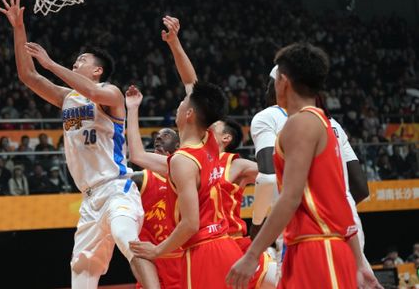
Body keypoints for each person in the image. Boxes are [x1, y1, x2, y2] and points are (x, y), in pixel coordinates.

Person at [0, 0, 158, 288]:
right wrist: (19, 28)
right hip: (89, 199)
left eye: (82, 60)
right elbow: (28, 76)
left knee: (128, 240)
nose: (76, 62)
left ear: (97, 70)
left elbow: (93, 93)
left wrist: (50, 64)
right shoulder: (67, 97)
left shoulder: (111, 93)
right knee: (82, 271)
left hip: (117, 189)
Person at [227, 43, 381, 289]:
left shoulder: (300, 123)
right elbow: (341, 199)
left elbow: (290, 197)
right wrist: (360, 263)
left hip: (316, 247)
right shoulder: (327, 125)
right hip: (318, 243)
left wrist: (252, 254)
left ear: (283, 81)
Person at [127, 16, 242, 288]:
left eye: (181, 103)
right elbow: (192, 83)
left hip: (204, 251)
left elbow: (190, 223)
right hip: (225, 245)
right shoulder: (210, 142)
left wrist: (157, 250)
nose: (179, 104)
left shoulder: (182, 160)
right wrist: (174, 43)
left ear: (189, 114)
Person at [212, 118, 277, 288]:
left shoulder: (235, 164)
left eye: (214, 126)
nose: (207, 126)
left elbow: (274, 173)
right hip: (206, 246)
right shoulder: (193, 164)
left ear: (226, 138)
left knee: (278, 280)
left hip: (233, 242)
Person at [129, 128, 183, 289]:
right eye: (157, 137)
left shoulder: (188, 178)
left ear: (178, 145)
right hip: (151, 259)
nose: (158, 138)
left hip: (181, 258)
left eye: (165, 135)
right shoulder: (141, 178)